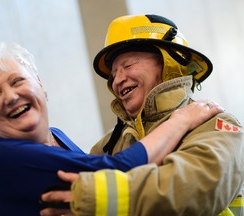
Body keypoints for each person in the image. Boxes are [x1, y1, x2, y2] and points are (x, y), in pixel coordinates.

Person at [0, 42, 221, 216]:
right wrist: (181, 121)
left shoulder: (58, 137)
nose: (9, 97)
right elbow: (115, 173)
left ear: (40, 84)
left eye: (17, 81)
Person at [40, 14, 244, 216]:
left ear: (168, 65)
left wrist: (93, 198)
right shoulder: (107, 145)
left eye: (128, 65)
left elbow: (193, 189)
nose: (117, 80)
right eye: (113, 74)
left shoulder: (217, 125)